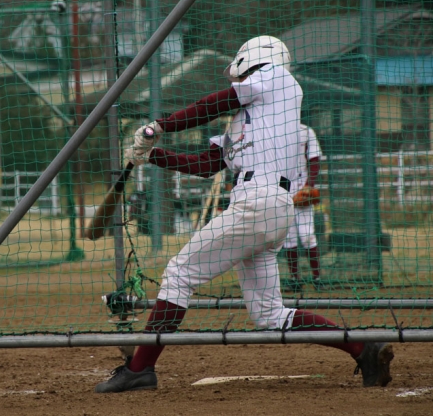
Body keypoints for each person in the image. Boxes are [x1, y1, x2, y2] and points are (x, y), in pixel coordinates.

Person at [94, 36, 394, 393]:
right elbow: (207, 165)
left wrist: (159, 125)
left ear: (250, 60)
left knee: (179, 273)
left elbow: (213, 103)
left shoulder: (277, 78)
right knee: (269, 314)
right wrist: (151, 155)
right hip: (265, 207)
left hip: (260, 200)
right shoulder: (248, 119)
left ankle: (140, 369)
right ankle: (363, 349)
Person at [284, 124, 323, 292]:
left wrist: (309, 185)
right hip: (281, 187)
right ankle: (295, 279)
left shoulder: (306, 130)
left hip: (301, 184)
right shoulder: (274, 130)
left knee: (307, 236)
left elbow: (314, 160)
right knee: (288, 238)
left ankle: (317, 277)